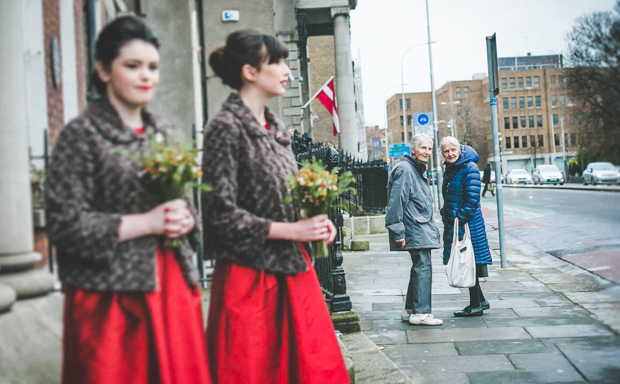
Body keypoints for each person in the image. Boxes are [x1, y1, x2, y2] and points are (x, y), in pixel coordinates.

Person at [45, 17, 211, 384]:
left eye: (152, 67)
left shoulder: (164, 132)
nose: (145, 76)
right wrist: (147, 223)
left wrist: (186, 220)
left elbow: (184, 208)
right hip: (112, 299)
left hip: (172, 290)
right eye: (132, 66)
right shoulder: (82, 136)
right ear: (103, 70)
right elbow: (64, 224)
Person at [201, 30, 350, 384]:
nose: (287, 70)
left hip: (292, 271)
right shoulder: (224, 128)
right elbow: (218, 215)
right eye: (277, 61)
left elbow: (279, 201)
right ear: (250, 71)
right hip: (247, 278)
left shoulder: (275, 127)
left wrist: (311, 220)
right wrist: (292, 230)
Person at [385, 134, 443, 326]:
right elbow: (396, 202)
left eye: (429, 149)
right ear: (413, 150)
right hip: (414, 226)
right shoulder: (406, 169)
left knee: (420, 265)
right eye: (423, 148)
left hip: (419, 225)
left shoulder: (415, 169)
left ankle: (410, 309)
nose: (426, 152)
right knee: (423, 266)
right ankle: (420, 313)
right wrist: (398, 232)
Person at [440, 137, 493, 317]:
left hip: (467, 223)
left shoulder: (468, 167)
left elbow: (472, 199)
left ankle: (475, 305)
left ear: (459, 150)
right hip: (459, 222)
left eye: (453, 150)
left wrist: (459, 218)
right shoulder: (452, 168)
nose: (450, 154)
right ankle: (481, 301)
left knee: (468, 261)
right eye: (446, 151)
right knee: (469, 261)